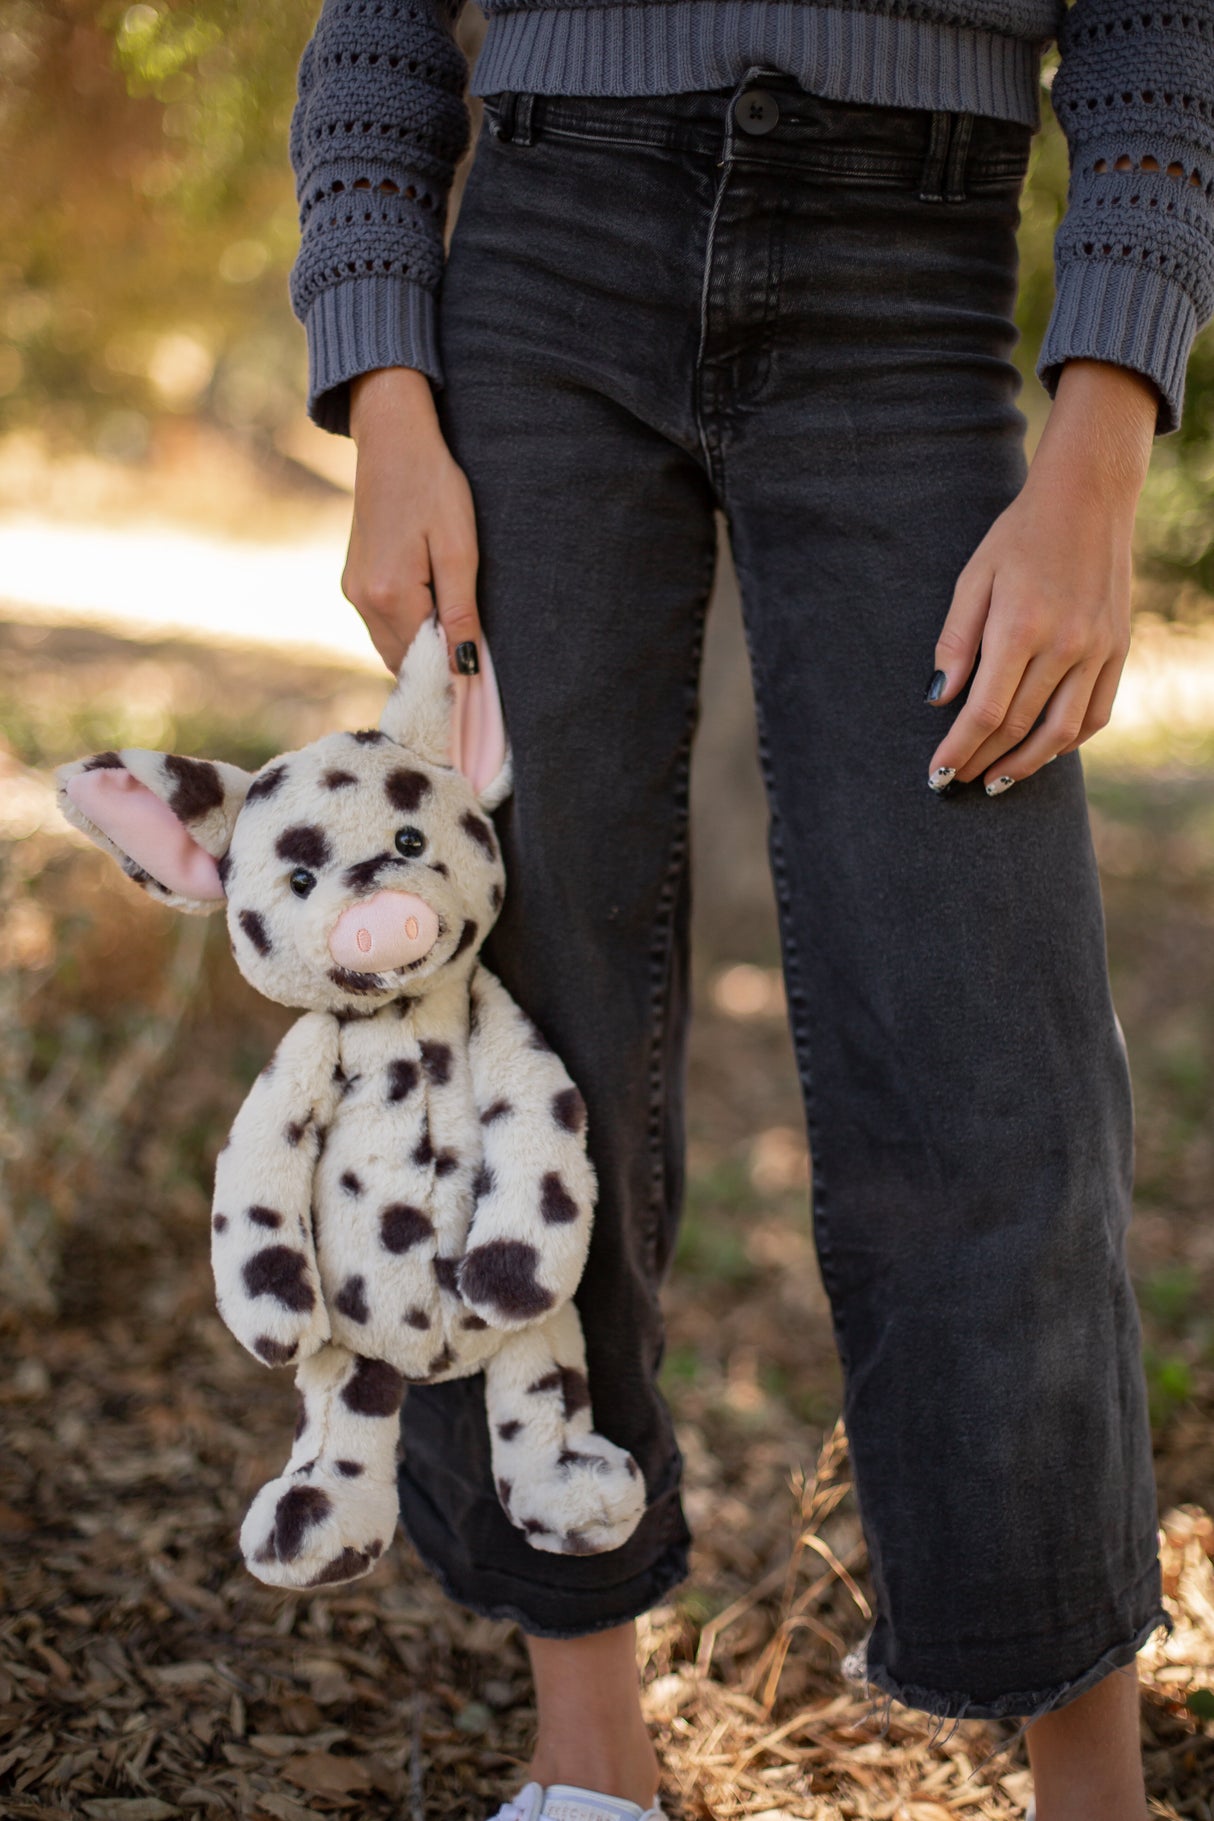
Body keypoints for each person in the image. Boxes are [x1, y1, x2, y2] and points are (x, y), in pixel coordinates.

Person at [284, 0, 1212, 1814]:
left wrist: (1101, 442)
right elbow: (381, 19)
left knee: (996, 1062)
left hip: (910, 271)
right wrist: (385, 386)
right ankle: (589, 1757)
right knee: (511, 1026)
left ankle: (1090, 1790)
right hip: (540, 261)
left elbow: (1157, 29)